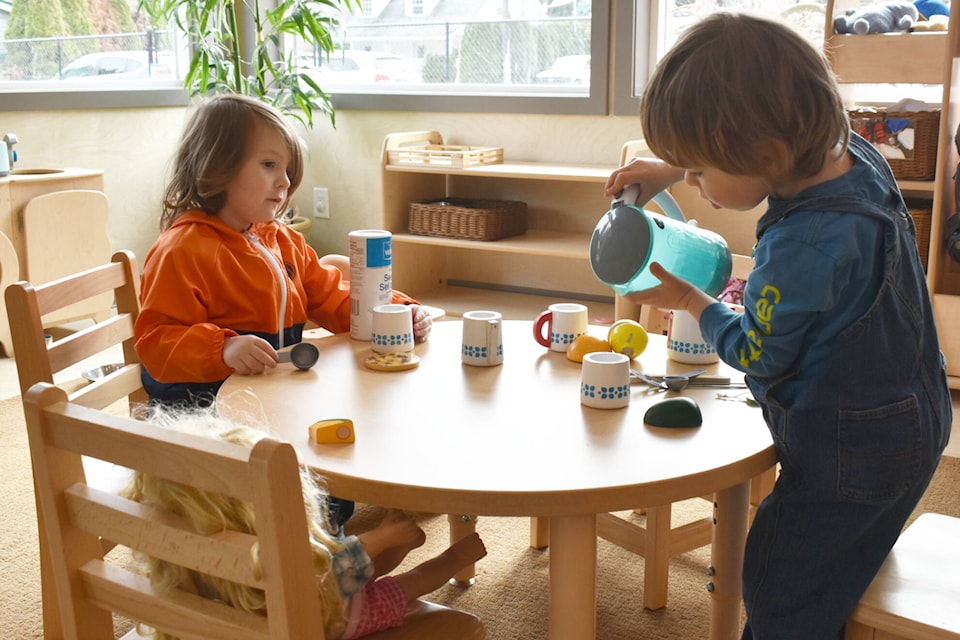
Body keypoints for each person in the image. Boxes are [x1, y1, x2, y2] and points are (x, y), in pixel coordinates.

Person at [604, 12, 952, 640]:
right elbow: (748, 162)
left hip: (851, 453)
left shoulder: (801, 248)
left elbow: (756, 352)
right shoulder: (853, 156)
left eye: (699, 170)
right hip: (914, 411)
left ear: (763, 154)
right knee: (843, 554)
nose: (695, 184)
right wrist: (668, 168)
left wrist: (688, 296)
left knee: (779, 580)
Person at [135, 93, 433, 408]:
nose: (285, 181)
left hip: (268, 395)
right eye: (269, 164)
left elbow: (334, 296)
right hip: (199, 408)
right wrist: (222, 349)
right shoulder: (183, 249)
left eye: (287, 169)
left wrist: (397, 313)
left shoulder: (284, 241)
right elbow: (156, 340)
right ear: (218, 165)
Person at [122, 408, 487, 640]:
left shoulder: (192, 575)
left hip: (321, 590)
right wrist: (381, 536)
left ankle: (402, 544)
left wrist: (385, 539)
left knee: (367, 565)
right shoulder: (271, 569)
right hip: (333, 617)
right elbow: (332, 571)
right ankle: (459, 556)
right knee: (408, 583)